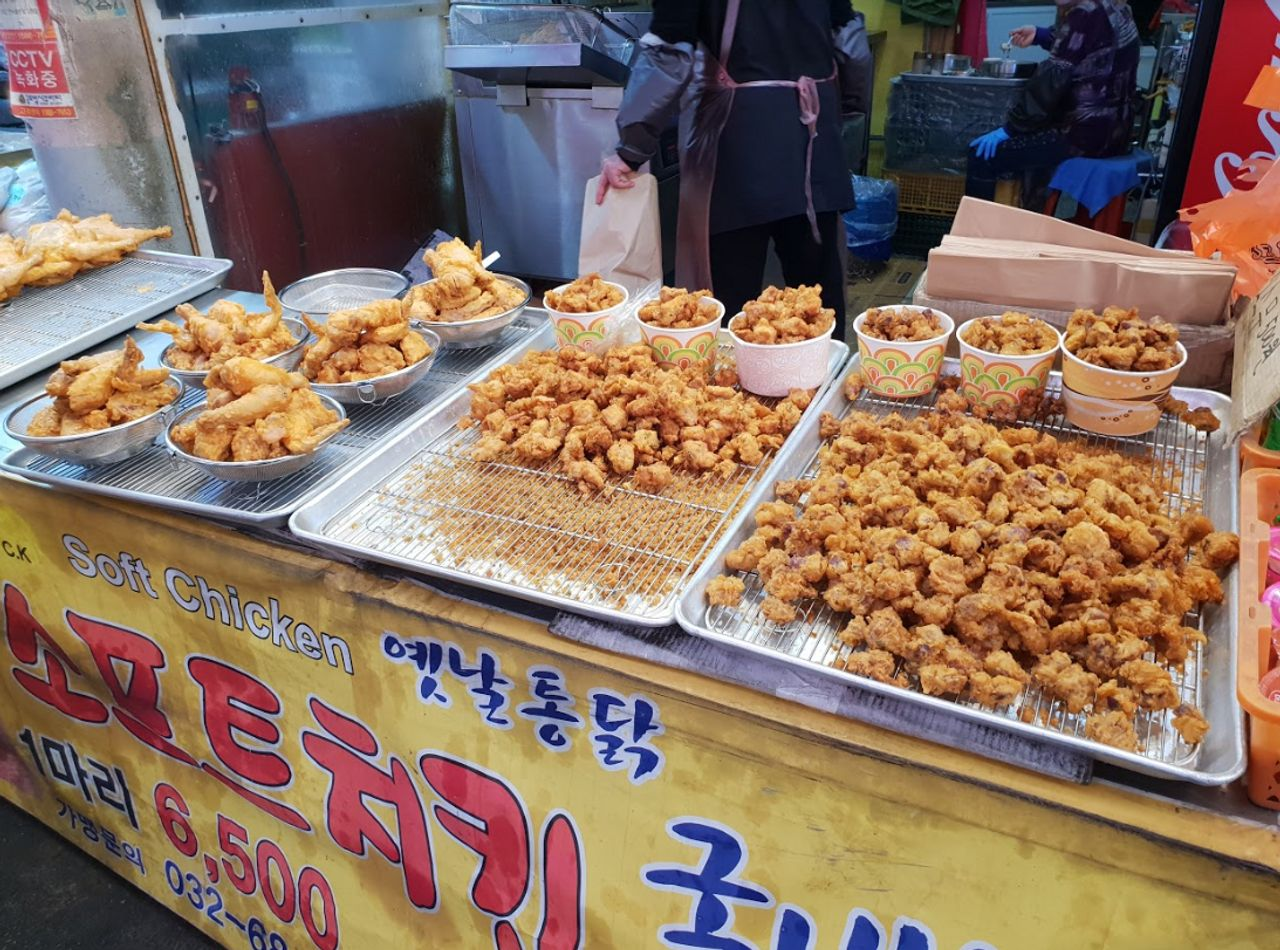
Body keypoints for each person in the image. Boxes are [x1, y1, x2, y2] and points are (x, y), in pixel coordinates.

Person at [594, 1, 870, 338]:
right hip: (815, 146)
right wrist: (843, 107)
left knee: (727, 306)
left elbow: (668, 54)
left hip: (736, 155)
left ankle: (728, 371)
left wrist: (630, 149)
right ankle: (825, 368)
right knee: (818, 304)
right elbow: (852, 49)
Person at [966, 0, 1140, 208]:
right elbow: (1082, 43)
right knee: (1030, 147)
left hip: (1083, 137)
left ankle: (975, 226)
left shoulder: (1084, 14)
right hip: (1117, 134)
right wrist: (1039, 35)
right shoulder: (1116, 7)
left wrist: (1011, 128)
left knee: (982, 155)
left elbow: (1049, 84)